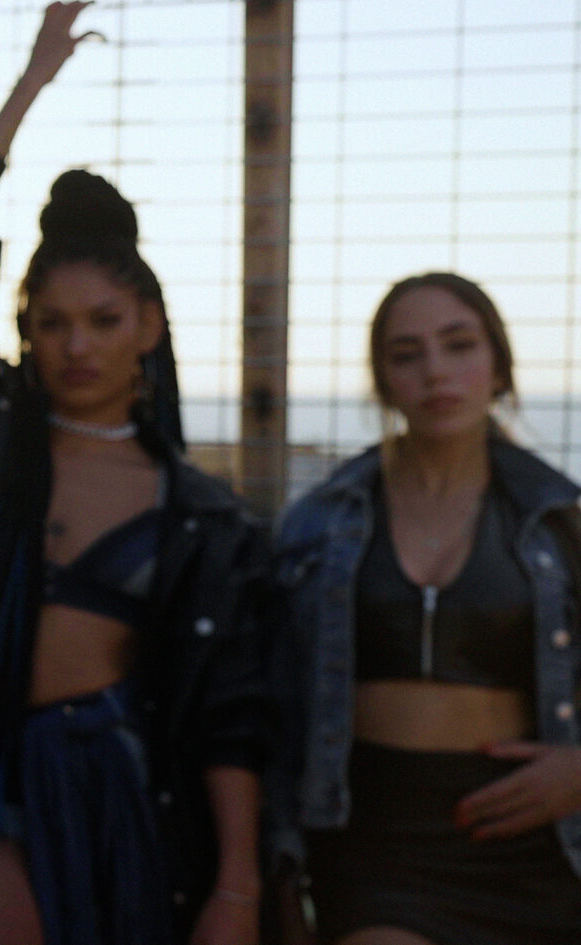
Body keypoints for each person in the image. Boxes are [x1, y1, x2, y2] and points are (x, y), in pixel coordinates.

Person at [0, 4, 271, 944]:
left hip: (112, 791)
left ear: (149, 326)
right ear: (24, 330)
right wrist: (31, 82)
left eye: (103, 320)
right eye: (50, 322)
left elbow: (230, 713)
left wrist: (237, 888)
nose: (77, 345)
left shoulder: (195, 512)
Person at [270, 271, 581, 945]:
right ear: (383, 381)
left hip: (534, 838)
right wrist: (280, 859)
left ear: (498, 365)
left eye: (459, 345)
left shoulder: (561, 520)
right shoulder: (319, 521)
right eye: (406, 354)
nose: (435, 371)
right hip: (376, 839)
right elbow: (271, 699)